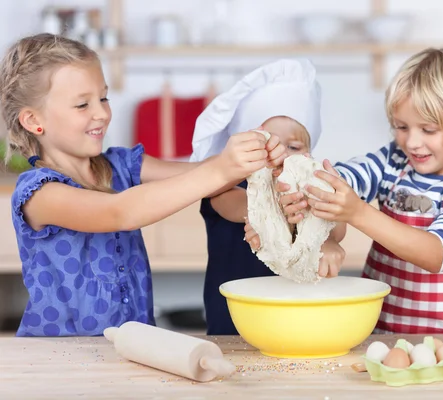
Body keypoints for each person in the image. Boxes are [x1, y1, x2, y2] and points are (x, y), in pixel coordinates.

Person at [0, 33, 286, 337]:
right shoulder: (39, 192)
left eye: (104, 98)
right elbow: (120, 212)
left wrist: (258, 157)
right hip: (58, 358)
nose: (101, 113)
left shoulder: (123, 165)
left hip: (131, 348)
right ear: (33, 121)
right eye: (83, 104)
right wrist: (221, 168)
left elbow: (201, 177)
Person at [247, 48, 443, 334]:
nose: (412, 142)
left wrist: (358, 212)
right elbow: (339, 180)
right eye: (402, 126)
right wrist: (299, 193)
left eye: (429, 129)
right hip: (379, 334)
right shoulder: (393, 161)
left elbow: (437, 253)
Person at [190, 58, 345, 335]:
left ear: (309, 152)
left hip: (296, 320)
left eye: (294, 145)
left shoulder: (311, 187)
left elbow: (339, 219)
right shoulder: (225, 187)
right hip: (234, 322)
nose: (281, 153)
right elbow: (234, 204)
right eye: (267, 142)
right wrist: (275, 210)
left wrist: (329, 239)